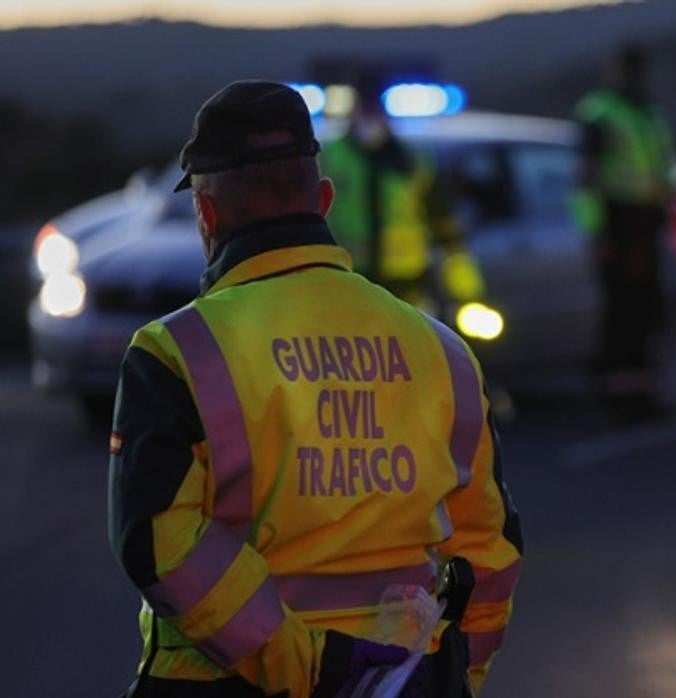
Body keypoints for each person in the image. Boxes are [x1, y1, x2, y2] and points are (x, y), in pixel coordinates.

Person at [108, 81, 522, 698]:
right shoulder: (444, 354)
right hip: (407, 679)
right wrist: (454, 676)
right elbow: (490, 547)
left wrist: (304, 668)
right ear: (323, 200)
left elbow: (161, 548)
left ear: (207, 215)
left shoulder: (176, 352)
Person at [320, 76, 484, 311]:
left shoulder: (413, 160)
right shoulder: (328, 157)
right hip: (347, 284)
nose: (368, 116)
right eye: (364, 107)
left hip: (407, 286)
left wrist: (467, 292)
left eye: (373, 107)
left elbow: (444, 224)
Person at [572, 44, 675, 415]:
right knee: (625, 313)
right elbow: (585, 180)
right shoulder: (600, 114)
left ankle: (640, 392)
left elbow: (659, 167)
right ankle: (622, 397)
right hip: (620, 224)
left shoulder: (648, 113)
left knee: (647, 309)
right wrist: (598, 234)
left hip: (647, 222)